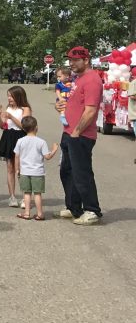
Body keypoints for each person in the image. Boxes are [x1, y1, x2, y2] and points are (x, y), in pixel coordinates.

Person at [56, 47, 104, 224]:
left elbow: (91, 111)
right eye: (70, 59)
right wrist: (62, 107)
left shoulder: (92, 80)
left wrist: (76, 132)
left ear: (86, 60)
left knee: (81, 173)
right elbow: (75, 103)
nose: (72, 63)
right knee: (67, 172)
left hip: (81, 135)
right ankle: (73, 207)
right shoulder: (78, 79)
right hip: (69, 132)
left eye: (76, 60)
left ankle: (92, 210)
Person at [13, 115, 58, 221]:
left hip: (24, 171)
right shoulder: (41, 142)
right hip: (38, 172)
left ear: (23, 129)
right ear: (36, 127)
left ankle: (27, 213)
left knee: (27, 193)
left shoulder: (20, 141)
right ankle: (40, 213)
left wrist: (17, 169)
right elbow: (47, 157)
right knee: (37, 193)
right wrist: (54, 149)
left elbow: (16, 156)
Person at [0, 85, 32, 207]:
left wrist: (11, 117)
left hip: (21, 137)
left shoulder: (25, 109)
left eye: (11, 96)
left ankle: (24, 197)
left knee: (21, 168)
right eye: (8, 96)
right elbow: (2, 126)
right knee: (10, 168)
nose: (9, 98)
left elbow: (25, 126)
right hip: (8, 136)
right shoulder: (8, 108)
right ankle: (12, 197)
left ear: (18, 96)